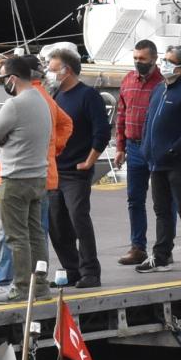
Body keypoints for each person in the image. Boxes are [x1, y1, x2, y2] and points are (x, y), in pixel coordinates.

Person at [0, 54, 55, 300]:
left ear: (13, 78)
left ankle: (22, 287)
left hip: (15, 179)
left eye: (3, 78)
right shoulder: (41, 100)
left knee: (17, 236)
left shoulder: (15, 104)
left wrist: (6, 137)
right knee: (36, 234)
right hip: (38, 177)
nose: (3, 82)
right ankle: (41, 286)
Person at [44, 45, 107, 289]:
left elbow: (101, 132)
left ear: (66, 70)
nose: (49, 74)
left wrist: (90, 161)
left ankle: (91, 271)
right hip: (56, 169)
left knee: (78, 217)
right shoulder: (57, 95)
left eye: (52, 69)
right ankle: (72, 269)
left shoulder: (88, 95)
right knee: (56, 223)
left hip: (76, 172)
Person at [141, 44, 181, 272]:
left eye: (169, 61)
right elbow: (150, 120)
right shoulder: (160, 89)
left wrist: (175, 149)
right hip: (156, 161)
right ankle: (161, 256)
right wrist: (145, 148)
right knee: (161, 210)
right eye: (164, 60)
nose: (163, 65)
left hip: (178, 161)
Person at [112, 39, 163, 267]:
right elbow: (121, 115)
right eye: (135, 58)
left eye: (142, 59)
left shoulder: (163, 84)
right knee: (134, 199)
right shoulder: (128, 80)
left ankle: (163, 249)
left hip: (157, 147)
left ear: (154, 59)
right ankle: (138, 247)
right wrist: (120, 147)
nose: (138, 62)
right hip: (133, 147)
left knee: (163, 201)